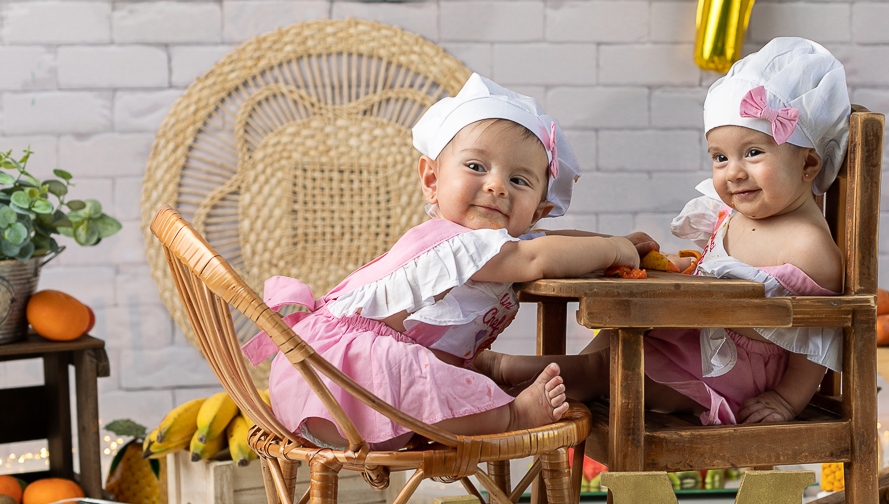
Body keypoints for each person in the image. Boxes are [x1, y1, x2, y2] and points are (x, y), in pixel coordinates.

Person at [242, 74, 641, 450]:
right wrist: (615, 251)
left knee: (455, 370)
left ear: (538, 211)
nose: (496, 185)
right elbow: (535, 256)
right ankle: (513, 417)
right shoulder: (458, 243)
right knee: (428, 374)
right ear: (432, 181)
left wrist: (613, 242)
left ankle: (553, 374)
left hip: (326, 394)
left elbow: (545, 244)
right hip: (346, 386)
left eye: (519, 180)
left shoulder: (489, 245)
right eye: (476, 166)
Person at [479, 37, 850, 427]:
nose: (734, 172)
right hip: (693, 335)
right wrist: (675, 268)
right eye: (720, 157)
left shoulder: (809, 246)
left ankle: (509, 372)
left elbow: (819, 337)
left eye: (753, 153)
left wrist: (787, 400)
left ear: (809, 164)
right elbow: (713, 277)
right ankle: (537, 378)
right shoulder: (729, 214)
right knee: (616, 338)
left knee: (612, 366)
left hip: (734, 373)